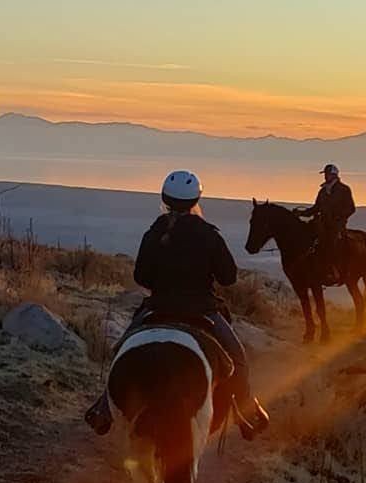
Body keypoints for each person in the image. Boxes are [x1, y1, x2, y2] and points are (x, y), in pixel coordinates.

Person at [83, 170, 268, 440]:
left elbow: (140, 276)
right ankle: (246, 411)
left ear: (165, 199)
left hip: (158, 307)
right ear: (196, 199)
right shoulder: (209, 234)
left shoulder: (154, 232)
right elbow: (229, 277)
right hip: (202, 311)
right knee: (237, 359)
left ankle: (103, 409)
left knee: (122, 348)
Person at [294, 163, 355, 283]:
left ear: (334, 175)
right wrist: (301, 213)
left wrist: (338, 217)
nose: (325, 176)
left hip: (337, 225)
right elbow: (315, 208)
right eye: (325, 174)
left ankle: (332, 270)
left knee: (330, 242)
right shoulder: (322, 191)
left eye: (327, 174)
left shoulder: (344, 189)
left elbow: (351, 208)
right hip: (322, 223)